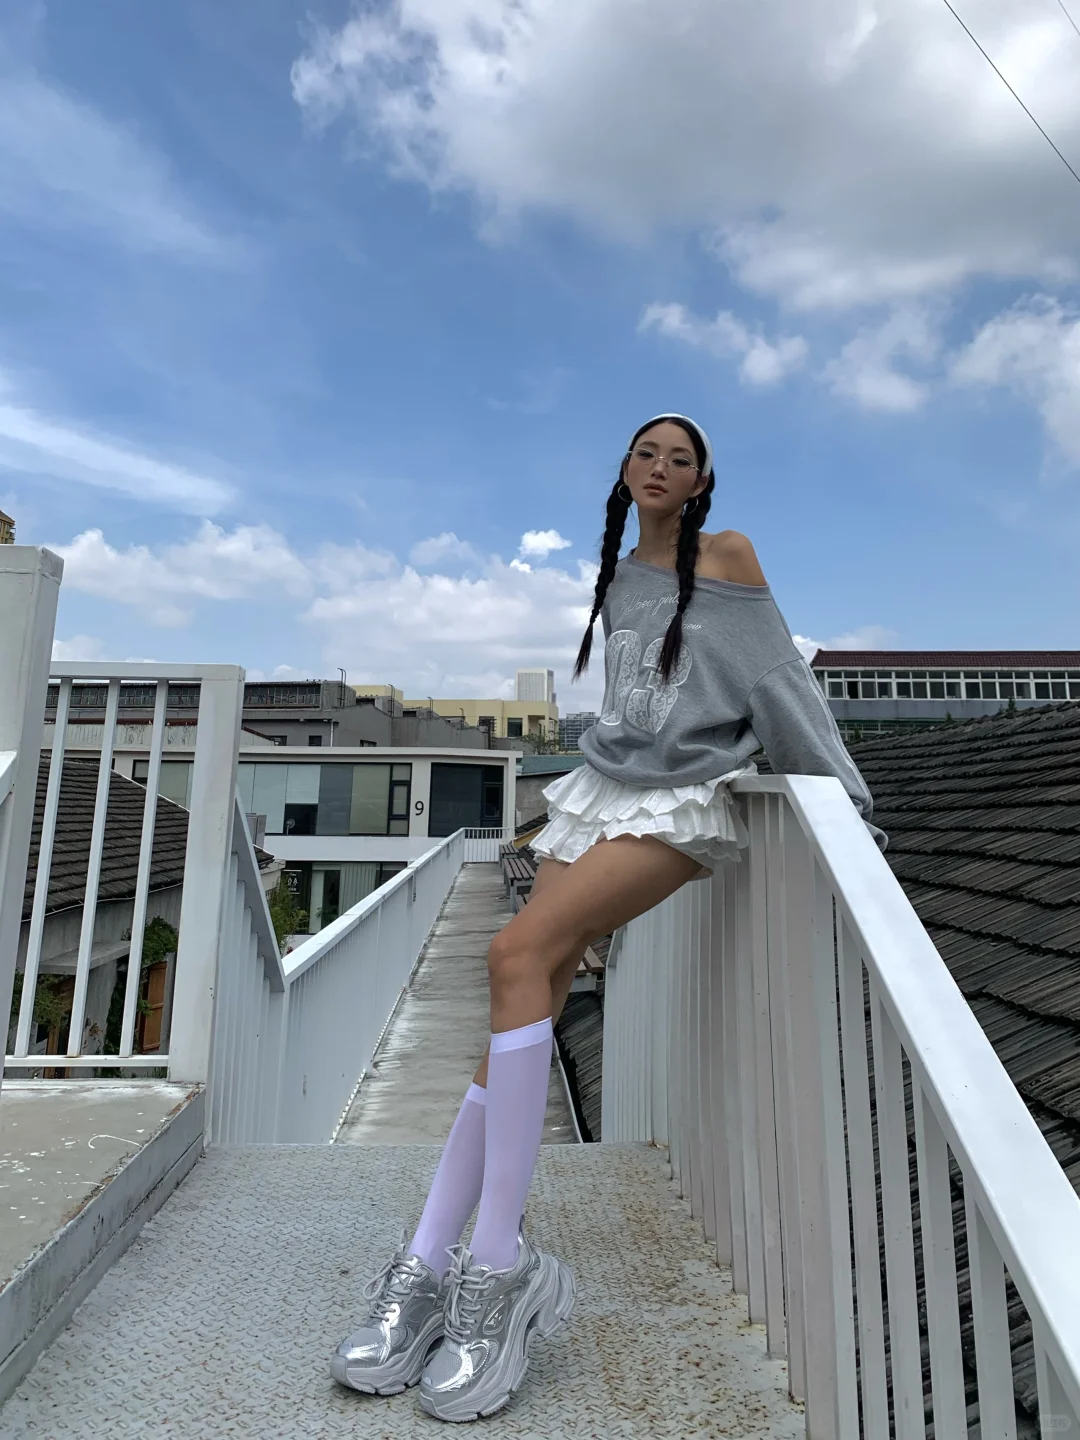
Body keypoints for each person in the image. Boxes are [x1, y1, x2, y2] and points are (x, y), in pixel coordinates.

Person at [331, 413, 886, 1423]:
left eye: (682, 458)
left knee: (513, 952)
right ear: (626, 471)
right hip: (601, 792)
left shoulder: (728, 554)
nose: (661, 467)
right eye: (647, 453)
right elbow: (633, 707)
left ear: (703, 479)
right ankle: (426, 1265)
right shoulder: (623, 576)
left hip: (678, 805)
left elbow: (776, 680)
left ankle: (499, 1266)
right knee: (522, 1001)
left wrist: (844, 797)